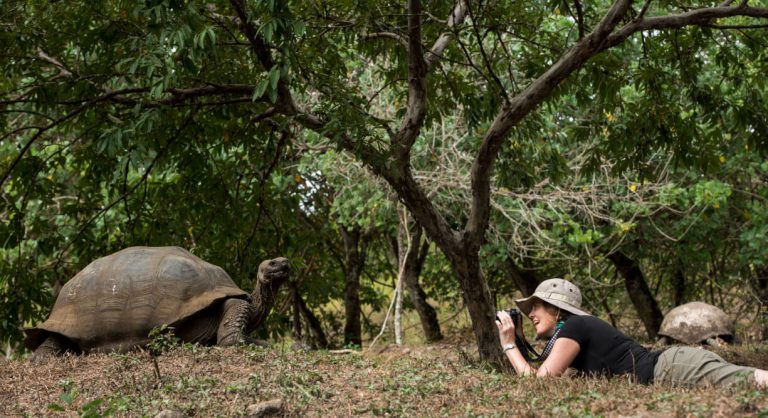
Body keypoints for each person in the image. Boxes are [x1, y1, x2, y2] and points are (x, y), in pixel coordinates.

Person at [496, 278, 768, 388]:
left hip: (673, 367)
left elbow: (540, 382)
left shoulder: (576, 325)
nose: (530, 313)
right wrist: (519, 340)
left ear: (556, 309)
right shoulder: (573, 333)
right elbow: (551, 375)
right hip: (671, 369)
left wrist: (509, 344)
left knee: (750, 380)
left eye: (536, 306)